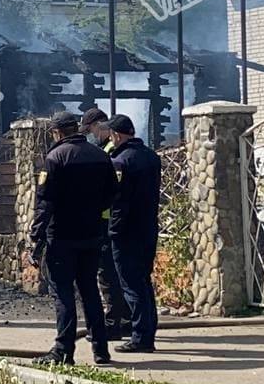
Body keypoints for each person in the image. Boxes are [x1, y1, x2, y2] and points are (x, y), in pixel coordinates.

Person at [27, 110, 117, 366]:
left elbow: (46, 203)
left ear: (57, 132)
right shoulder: (100, 156)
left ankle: (63, 350)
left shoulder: (55, 158)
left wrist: (36, 236)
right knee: (90, 291)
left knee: (63, 294)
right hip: (91, 235)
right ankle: (101, 350)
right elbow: (112, 193)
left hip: (62, 237)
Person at [106, 114, 162, 353]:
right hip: (148, 227)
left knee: (131, 285)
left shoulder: (120, 161)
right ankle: (148, 331)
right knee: (144, 281)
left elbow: (117, 201)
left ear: (116, 135)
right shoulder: (151, 157)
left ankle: (141, 337)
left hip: (126, 231)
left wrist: (113, 230)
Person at [79, 107, 130, 340]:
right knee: (117, 273)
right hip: (115, 220)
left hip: (106, 221)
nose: (90, 135)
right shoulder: (110, 150)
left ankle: (112, 323)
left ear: (100, 126)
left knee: (107, 275)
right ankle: (126, 320)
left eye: (90, 130)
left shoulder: (109, 152)